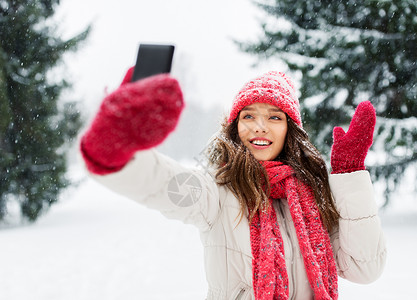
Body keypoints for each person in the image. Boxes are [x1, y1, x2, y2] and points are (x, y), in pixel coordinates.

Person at [79, 68, 386, 299]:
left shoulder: (314, 196)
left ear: (290, 129)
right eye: (248, 116)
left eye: (275, 117)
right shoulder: (217, 190)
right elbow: (164, 185)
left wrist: (349, 175)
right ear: (235, 126)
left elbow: (364, 268)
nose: (260, 127)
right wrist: (113, 149)